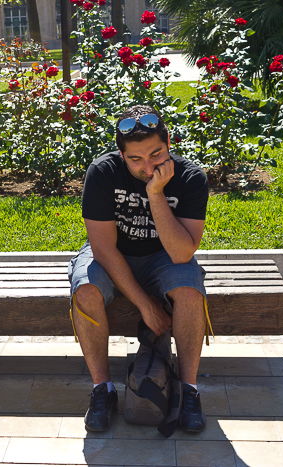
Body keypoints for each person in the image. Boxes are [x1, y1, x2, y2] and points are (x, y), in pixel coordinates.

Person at [68, 104, 209, 433]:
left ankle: (189, 391)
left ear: (169, 143)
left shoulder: (190, 177)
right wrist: (145, 306)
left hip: (164, 257)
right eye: (136, 159)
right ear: (121, 154)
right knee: (86, 290)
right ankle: (102, 390)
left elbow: (181, 252)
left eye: (156, 154)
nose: (148, 166)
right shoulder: (102, 172)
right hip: (114, 252)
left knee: (189, 292)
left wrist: (156, 194)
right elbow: (102, 247)